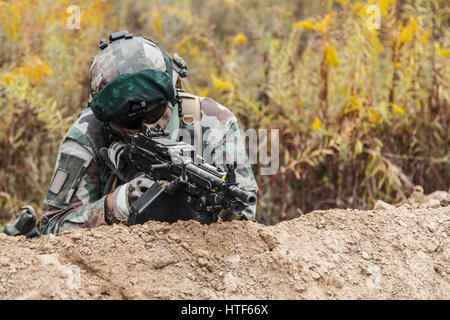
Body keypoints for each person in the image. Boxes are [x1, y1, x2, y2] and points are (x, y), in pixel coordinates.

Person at [27, 30, 258, 235]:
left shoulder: (213, 122)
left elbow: (244, 215)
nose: (148, 128)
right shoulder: (89, 134)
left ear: (173, 94)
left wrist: (204, 206)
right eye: (131, 120)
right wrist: (115, 205)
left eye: (154, 112)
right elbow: (51, 227)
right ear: (108, 119)